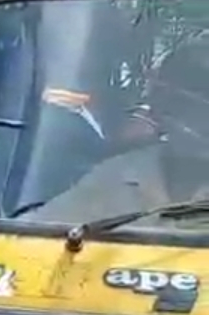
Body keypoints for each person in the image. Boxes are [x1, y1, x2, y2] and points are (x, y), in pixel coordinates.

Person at [33, 42, 209, 223]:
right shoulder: (122, 174)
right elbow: (35, 230)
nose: (200, 120)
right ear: (162, 103)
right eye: (182, 104)